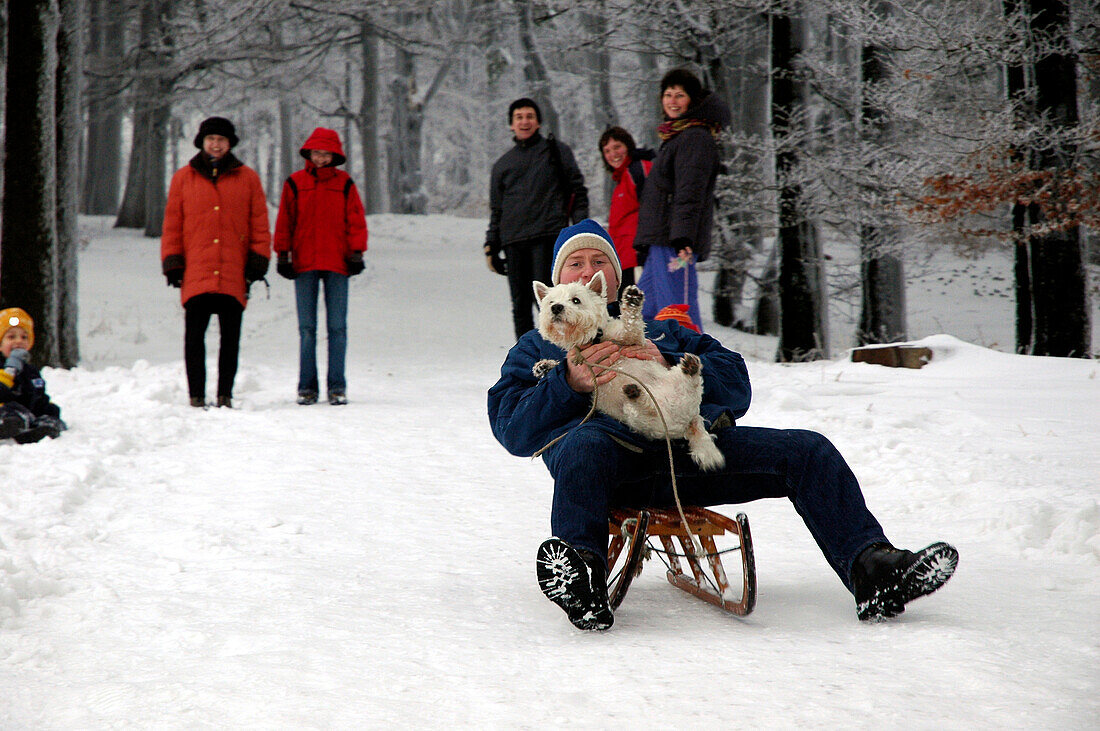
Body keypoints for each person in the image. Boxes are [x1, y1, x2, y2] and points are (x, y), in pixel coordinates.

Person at [487, 219, 958, 631]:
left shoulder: (662, 330)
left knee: (807, 450)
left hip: (691, 453)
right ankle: (582, 576)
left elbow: (737, 385)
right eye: (575, 264)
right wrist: (567, 384)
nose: (587, 269)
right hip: (608, 466)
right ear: (555, 282)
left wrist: (669, 359)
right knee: (585, 445)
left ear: (610, 279)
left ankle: (872, 568)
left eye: (598, 261)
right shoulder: (537, 349)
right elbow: (511, 426)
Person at [161, 116, 271, 409]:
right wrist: (173, 262)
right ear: (202, 142)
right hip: (196, 270)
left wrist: (258, 262)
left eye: (221, 140)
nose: (216, 144)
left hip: (234, 272)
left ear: (230, 143)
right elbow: (173, 223)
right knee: (194, 338)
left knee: (230, 339)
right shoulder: (183, 178)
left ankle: (225, 394)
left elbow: (259, 223)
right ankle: (196, 395)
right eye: (211, 139)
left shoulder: (248, 178)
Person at [274, 127, 368, 406]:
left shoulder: (345, 184)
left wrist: (356, 252)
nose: (321, 158)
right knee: (307, 329)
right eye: (317, 152)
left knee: (337, 327)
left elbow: (356, 220)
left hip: (337, 263)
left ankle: (337, 387)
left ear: (334, 155)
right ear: (309, 153)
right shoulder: (294, 183)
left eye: (326, 153)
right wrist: (282, 255)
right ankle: (307, 387)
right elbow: (284, 221)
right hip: (304, 263)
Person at [634, 69, 731, 331]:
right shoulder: (677, 136)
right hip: (659, 242)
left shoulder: (695, 137)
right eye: (668, 94)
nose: (673, 101)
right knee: (642, 316)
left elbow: (690, 192)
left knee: (677, 314)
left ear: (692, 100)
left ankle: (697, 365)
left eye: (680, 95)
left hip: (675, 243)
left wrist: (683, 237)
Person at [484, 97, 589, 339]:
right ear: (511, 124)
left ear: (539, 122)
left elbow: (577, 191)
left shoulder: (556, 152)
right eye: (518, 117)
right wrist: (491, 245)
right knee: (520, 307)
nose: (524, 121)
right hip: (514, 242)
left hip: (548, 237)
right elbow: (497, 210)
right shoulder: (502, 165)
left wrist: (580, 228)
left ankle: (557, 356)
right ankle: (525, 358)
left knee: (549, 303)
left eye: (529, 116)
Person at [598, 126, 654, 297]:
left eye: (617, 147)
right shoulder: (621, 179)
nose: (613, 154)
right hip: (625, 259)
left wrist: (646, 250)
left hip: (640, 256)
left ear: (628, 146)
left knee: (644, 313)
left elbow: (654, 209)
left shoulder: (639, 170)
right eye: (607, 151)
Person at [0, 308, 67, 444]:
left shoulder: (30, 371)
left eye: (24, 337)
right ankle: (10, 426)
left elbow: (37, 394)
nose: (18, 341)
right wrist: (9, 371)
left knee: (50, 412)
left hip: (27, 412)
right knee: (12, 411)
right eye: (11, 337)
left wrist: (46, 408)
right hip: (5, 410)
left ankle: (41, 430)